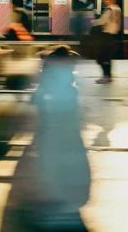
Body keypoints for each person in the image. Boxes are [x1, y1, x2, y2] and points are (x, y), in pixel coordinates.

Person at [27, 45, 90, 229]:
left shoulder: (49, 82)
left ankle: (57, 206)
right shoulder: (70, 86)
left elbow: (38, 103)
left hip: (53, 130)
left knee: (53, 165)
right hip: (66, 131)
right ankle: (64, 206)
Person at [94, 0, 122, 84]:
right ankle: (108, 76)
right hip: (113, 36)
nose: (105, 1)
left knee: (102, 57)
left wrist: (94, 22)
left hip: (106, 36)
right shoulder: (118, 9)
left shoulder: (110, 9)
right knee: (107, 57)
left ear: (112, 0)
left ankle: (106, 76)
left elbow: (102, 21)